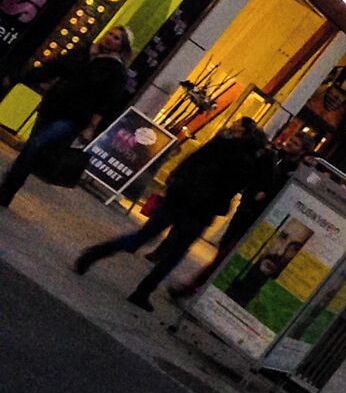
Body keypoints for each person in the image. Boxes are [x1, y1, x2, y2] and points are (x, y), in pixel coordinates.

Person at [73, 119, 266, 309]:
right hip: (199, 211)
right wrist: (220, 208)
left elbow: (192, 159)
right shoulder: (245, 163)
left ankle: (96, 253)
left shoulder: (221, 142)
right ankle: (143, 291)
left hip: (180, 196)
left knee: (143, 236)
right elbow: (226, 191)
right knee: (175, 254)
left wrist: (176, 179)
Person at [0, 27, 134, 208]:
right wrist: (20, 77)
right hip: (53, 106)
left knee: (36, 144)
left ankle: (8, 187)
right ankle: (8, 190)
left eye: (116, 38)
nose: (110, 39)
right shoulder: (84, 52)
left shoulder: (116, 71)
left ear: (122, 46)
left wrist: (91, 127)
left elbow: (107, 102)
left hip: (74, 117)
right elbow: (54, 67)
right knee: (32, 148)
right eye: (110, 34)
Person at [168, 139, 298, 299]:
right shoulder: (273, 157)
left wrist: (265, 193)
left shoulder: (294, 171)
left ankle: (193, 286)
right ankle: (199, 287)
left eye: (296, 144)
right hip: (247, 208)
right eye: (292, 140)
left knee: (226, 254)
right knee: (224, 247)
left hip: (261, 218)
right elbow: (256, 175)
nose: (290, 143)